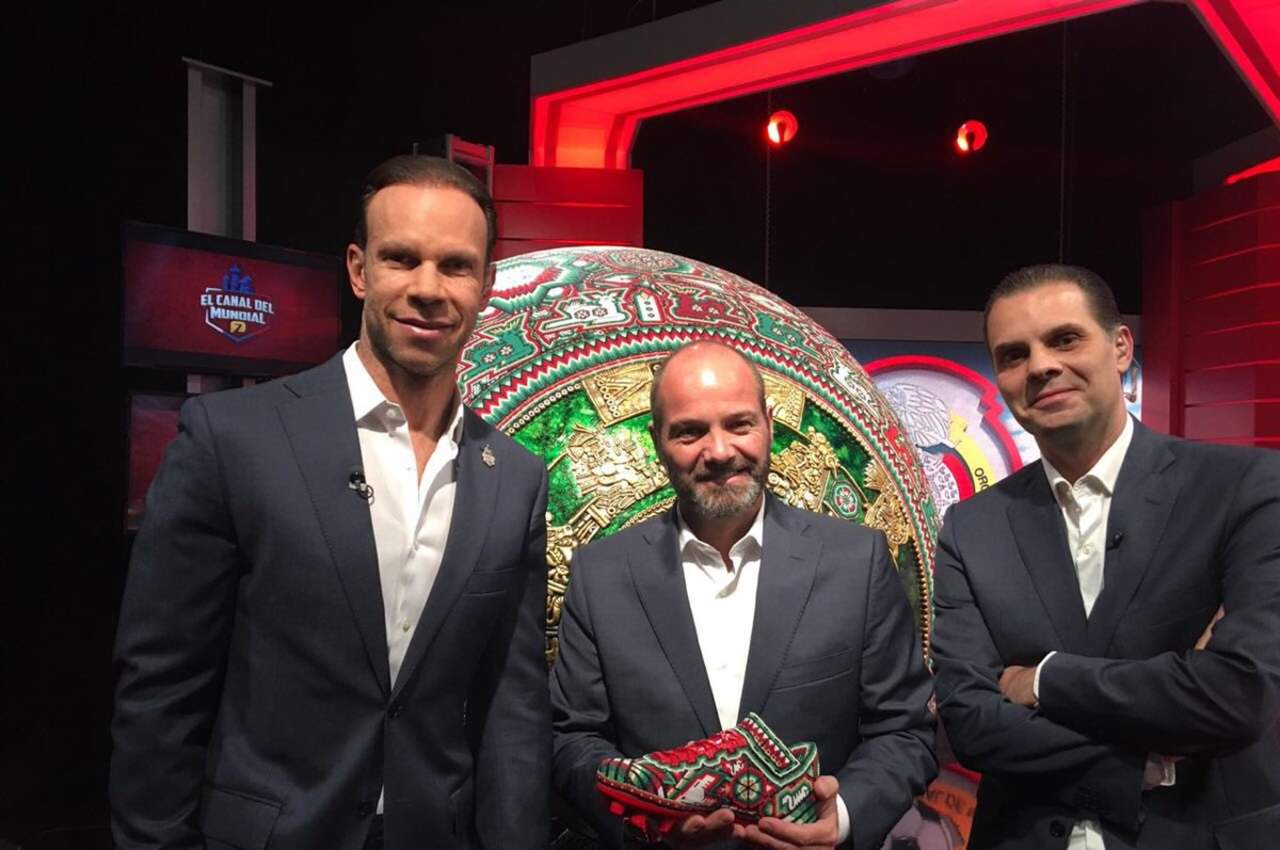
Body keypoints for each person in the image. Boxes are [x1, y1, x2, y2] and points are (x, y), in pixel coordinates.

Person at [111, 155, 551, 850]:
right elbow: (161, 684)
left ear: (487, 284)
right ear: (358, 269)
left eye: (456, 266)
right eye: (401, 258)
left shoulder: (516, 478)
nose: (428, 289)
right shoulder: (234, 439)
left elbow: (512, 706)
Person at [931, 263, 1280, 850]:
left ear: (1121, 347)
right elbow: (971, 724)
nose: (1040, 366)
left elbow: (1237, 695)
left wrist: (1042, 680)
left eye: (1065, 339)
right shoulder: (971, 527)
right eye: (1014, 354)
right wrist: (1141, 760)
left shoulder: (1245, 488)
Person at [551, 340, 937, 850]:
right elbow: (570, 740)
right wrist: (645, 818)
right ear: (656, 441)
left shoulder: (856, 562)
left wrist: (842, 816)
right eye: (690, 431)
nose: (718, 451)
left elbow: (905, 730)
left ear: (769, 425)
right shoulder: (601, 575)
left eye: (739, 424)